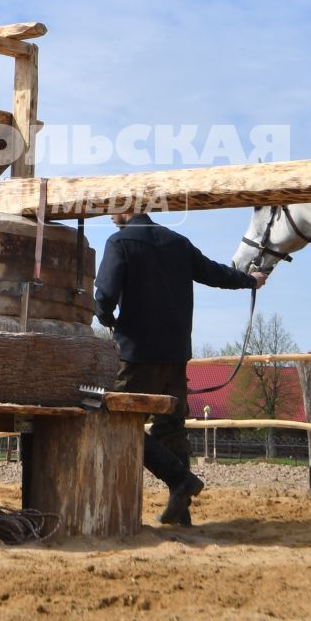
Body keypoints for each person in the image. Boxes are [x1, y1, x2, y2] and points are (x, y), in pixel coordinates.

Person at [93, 205, 264, 526]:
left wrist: (105, 316)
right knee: (170, 428)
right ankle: (181, 511)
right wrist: (249, 281)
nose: (108, 213)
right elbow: (215, 273)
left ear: (129, 207)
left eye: (113, 206)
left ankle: (179, 480)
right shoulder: (178, 242)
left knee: (116, 422)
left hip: (137, 355)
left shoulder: (119, 243)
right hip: (176, 353)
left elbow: (105, 297)